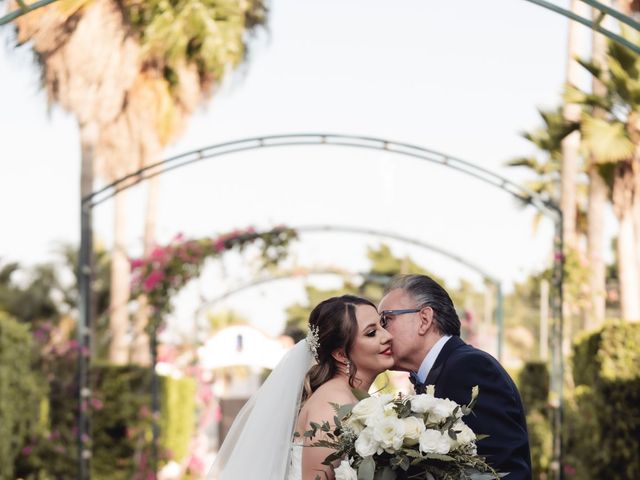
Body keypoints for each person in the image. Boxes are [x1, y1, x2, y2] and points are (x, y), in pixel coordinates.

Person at [208, 295, 393, 480]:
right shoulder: (333, 403)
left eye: (382, 325)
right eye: (371, 333)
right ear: (340, 354)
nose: (387, 336)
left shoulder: (346, 396)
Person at [378, 274, 531, 480]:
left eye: (385, 320)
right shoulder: (437, 373)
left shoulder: (469, 368)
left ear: (424, 319)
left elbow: (504, 470)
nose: (381, 333)